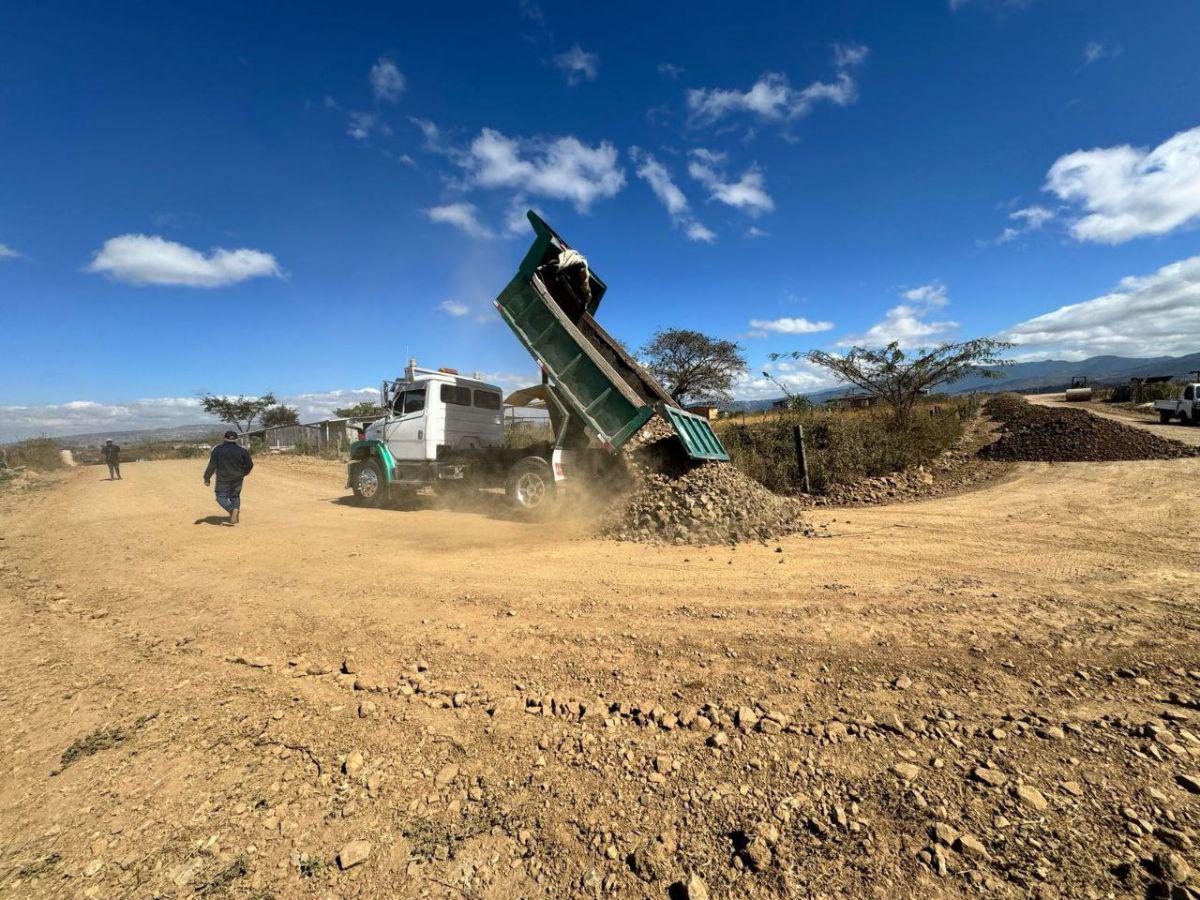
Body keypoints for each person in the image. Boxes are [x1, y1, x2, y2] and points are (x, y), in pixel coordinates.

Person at [203, 430, 254, 524]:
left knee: (220, 496)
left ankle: (231, 510)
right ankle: (236, 513)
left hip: (223, 478)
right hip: (238, 477)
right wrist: (244, 473)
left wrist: (207, 478)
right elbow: (250, 464)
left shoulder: (218, 450)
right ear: (236, 439)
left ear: (224, 438)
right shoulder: (242, 451)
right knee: (235, 495)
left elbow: (212, 465)